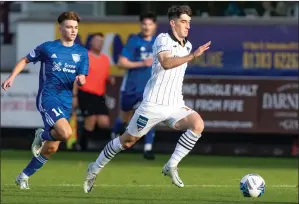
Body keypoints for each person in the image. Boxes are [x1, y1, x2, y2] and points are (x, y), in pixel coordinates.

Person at [83, 5, 211, 193]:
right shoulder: (162, 39)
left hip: (175, 104)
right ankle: (94, 168)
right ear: (173, 23)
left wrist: (191, 53)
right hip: (153, 104)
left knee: (197, 124)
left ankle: (171, 165)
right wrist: (192, 56)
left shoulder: (189, 45)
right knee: (126, 142)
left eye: (189, 22)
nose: (187, 26)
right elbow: (166, 63)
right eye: (184, 22)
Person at [1, 11, 89, 189]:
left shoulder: (81, 52)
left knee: (51, 148)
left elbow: (83, 75)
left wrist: (81, 79)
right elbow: (25, 60)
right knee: (65, 133)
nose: (73, 31)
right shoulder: (48, 48)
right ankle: (41, 135)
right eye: (70, 27)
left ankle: (23, 176)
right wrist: (12, 77)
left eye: (76, 28)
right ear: (61, 28)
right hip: (48, 97)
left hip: (65, 100)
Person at [111, 12, 157, 160]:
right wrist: (142, 63)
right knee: (124, 118)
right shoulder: (134, 41)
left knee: (148, 116)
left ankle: (148, 148)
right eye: (144, 24)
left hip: (149, 88)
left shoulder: (159, 42)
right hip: (131, 87)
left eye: (150, 24)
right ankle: (114, 135)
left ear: (154, 26)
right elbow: (121, 62)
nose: (147, 27)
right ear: (141, 25)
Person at [73, 33, 114, 151]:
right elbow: (77, 77)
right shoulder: (85, 57)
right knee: (90, 121)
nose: (99, 43)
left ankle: (91, 140)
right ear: (91, 43)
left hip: (99, 95)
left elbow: (104, 75)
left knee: (104, 122)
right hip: (86, 93)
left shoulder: (105, 59)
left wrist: (109, 79)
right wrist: (74, 95)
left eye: (101, 41)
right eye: (97, 41)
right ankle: (82, 146)